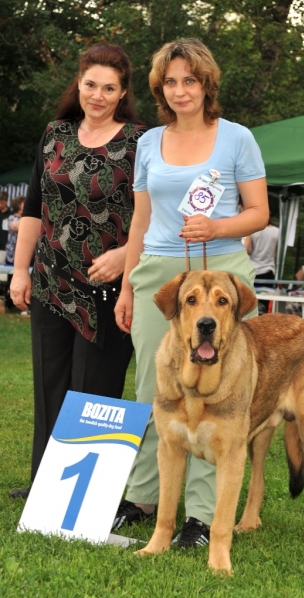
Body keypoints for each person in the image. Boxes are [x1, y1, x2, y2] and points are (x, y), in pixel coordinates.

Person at [113, 38, 269, 546]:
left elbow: (259, 214)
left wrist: (218, 226)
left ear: (207, 85)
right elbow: (139, 220)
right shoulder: (146, 142)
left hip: (219, 268)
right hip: (159, 274)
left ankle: (200, 518)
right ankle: (143, 498)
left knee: (217, 391)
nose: (181, 90)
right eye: (171, 81)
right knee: (153, 390)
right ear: (160, 88)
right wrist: (127, 286)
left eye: (191, 80)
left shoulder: (237, 138)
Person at [9, 42, 147, 499]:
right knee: (50, 388)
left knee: (95, 392)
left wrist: (127, 254)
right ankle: (42, 487)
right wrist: (21, 270)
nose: (98, 95)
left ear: (123, 91)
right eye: (91, 84)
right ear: (79, 83)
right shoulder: (55, 134)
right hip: (50, 280)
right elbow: (34, 207)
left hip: (108, 289)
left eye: (110, 88)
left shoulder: (140, 143)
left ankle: (86, 497)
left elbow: (156, 213)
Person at [5, 195, 25, 265]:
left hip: (23, 252)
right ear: (18, 205)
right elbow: (18, 227)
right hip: (12, 252)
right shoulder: (11, 217)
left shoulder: (25, 218)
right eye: (23, 203)